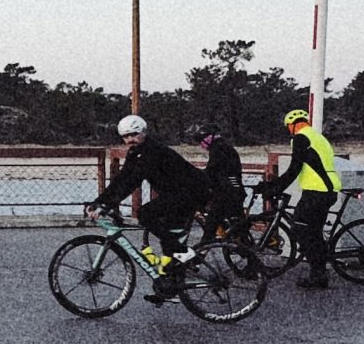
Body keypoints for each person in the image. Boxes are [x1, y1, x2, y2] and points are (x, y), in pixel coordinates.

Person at [90, 115, 215, 302]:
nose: (130, 139)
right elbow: (122, 178)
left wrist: (107, 204)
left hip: (192, 192)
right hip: (178, 193)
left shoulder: (152, 151)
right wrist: (99, 201)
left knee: (145, 213)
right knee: (168, 235)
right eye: (126, 136)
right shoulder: (136, 152)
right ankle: (170, 285)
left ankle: (183, 252)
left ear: (144, 132)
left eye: (134, 134)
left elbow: (133, 180)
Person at [257, 107, 344, 289]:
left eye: (288, 126)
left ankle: (318, 274)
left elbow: (294, 168)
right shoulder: (318, 137)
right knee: (313, 232)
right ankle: (319, 269)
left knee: (300, 228)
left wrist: (274, 188)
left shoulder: (300, 138)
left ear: (292, 125)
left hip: (317, 191)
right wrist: (276, 186)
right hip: (327, 189)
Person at [195, 126, 250, 245]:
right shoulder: (223, 146)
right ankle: (247, 251)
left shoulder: (218, 149)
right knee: (238, 228)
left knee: (211, 224)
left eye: (201, 141)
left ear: (208, 138)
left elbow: (212, 170)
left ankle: (198, 255)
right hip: (233, 191)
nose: (201, 145)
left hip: (227, 193)